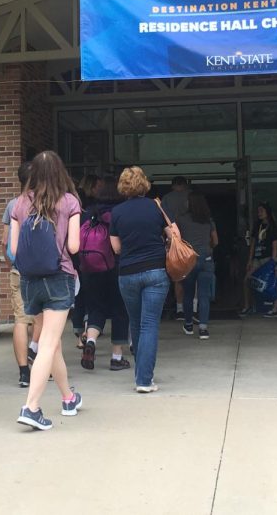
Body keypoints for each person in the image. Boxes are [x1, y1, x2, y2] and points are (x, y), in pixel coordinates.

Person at [10, 150, 83, 430]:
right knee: (49, 343)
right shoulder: (68, 202)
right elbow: (74, 246)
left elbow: (15, 250)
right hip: (58, 276)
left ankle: (68, 398)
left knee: (52, 345)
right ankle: (31, 407)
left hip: (30, 280)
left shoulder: (19, 203)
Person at [110, 166, 172, 393]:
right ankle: (144, 380)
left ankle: (141, 375)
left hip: (127, 273)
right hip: (155, 271)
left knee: (135, 323)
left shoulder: (116, 212)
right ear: (144, 184)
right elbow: (172, 234)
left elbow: (116, 248)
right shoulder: (156, 207)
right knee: (149, 325)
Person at [79, 176, 131, 371]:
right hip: (117, 267)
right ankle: (117, 357)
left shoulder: (88, 213)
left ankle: (91, 340)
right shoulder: (121, 213)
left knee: (96, 308)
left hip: (91, 268)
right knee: (119, 310)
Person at [2, 161, 43, 387]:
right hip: (44, 270)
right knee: (41, 319)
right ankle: (37, 356)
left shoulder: (13, 205)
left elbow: (4, 240)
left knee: (20, 319)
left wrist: (12, 262)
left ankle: (23, 372)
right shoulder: (48, 202)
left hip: (19, 269)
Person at [176, 192, 218, 339]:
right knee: (204, 295)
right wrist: (208, 247)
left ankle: (188, 324)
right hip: (206, 259)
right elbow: (216, 241)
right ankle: (203, 328)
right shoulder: (208, 221)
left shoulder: (181, 220)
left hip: (189, 260)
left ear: (190, 203)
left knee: (188, 293)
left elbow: (176, 240)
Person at [72, 173, 101, 346]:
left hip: (75, 256)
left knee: (79, 295)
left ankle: (79, 332)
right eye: (98, 186)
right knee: (90, 294)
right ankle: (88, 330)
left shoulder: (75, 203)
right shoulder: (91, 209)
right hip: (90, 255)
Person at [240, 201, 277, 318]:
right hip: (257, 258)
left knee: (272, 283)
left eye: (261, 211)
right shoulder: (257, 226)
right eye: (258, 211)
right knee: (247, 280)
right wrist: (249, 260)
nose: (259, 213)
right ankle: (247, 306)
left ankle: (274, 308)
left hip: (269, 258)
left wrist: (273, 262)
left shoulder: (273, 227)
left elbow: (275, 246)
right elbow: (252, 244)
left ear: (267, 212)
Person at [161, 176, 189, 320]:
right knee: (191, 275)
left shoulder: (166, 199)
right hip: (190, 240)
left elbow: (162, 219)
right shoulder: (190, 197)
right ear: (185, 185)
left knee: (176, 275)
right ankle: (193, 308)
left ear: (172, 186)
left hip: (172, 240)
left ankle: (179, 308)